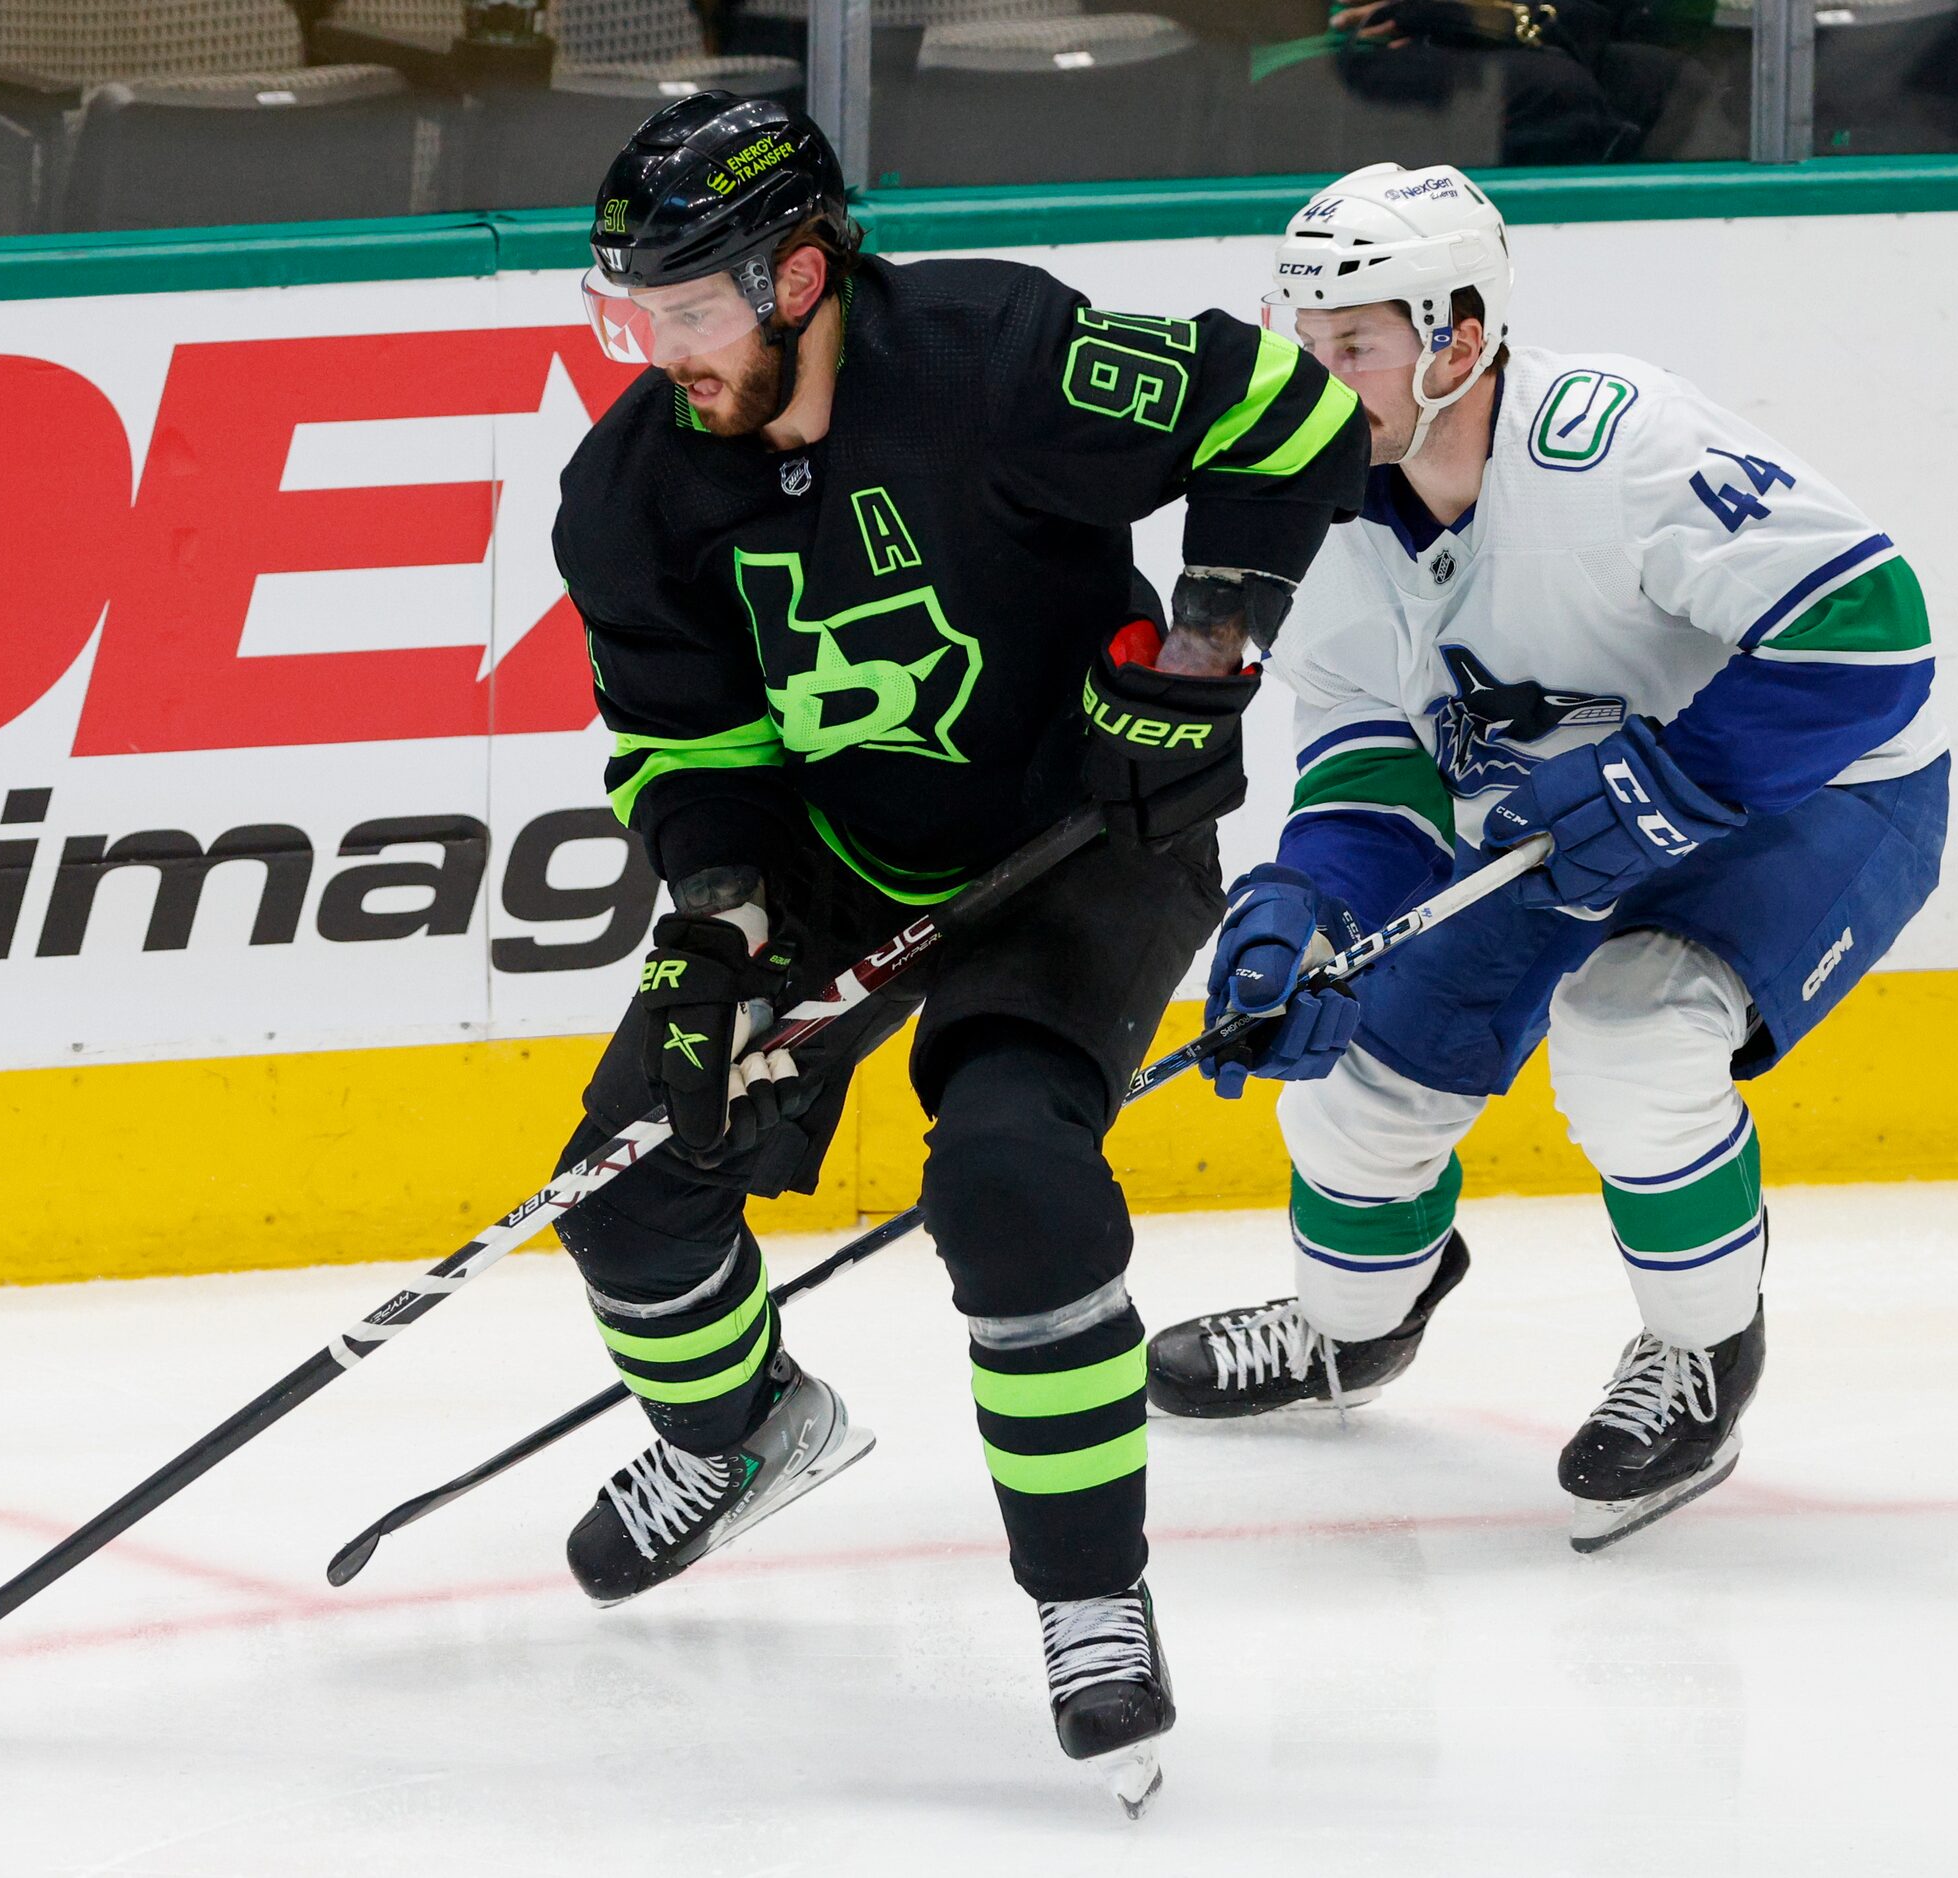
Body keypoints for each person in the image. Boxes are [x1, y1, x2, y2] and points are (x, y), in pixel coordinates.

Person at [550, 91, 1366, 1791]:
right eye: (634, 313)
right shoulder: (629, 493)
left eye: (691, 310)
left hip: (1078, 839)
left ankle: (1092, 1595)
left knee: (1009, 1174)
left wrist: (1203, 659)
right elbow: (693, 756)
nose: (662, 352)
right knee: (632, 1180)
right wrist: (714, 943)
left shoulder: (1002, 355)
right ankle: (744, 1430)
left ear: (800, 273)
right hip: (836, 862)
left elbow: (1292, 419)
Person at [1146, 162, 1949, 1552]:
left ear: (1458, 338)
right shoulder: (1321, 505)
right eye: (1305, 344)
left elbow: (1869, 632)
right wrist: (1308, 902)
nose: (1315, 381)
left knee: (1633, 1037)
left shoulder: (1615, 443)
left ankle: (1702, 1348)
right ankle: (1356, 1326)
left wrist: (1679, 782)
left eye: (1355, 349)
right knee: (1355, 1093)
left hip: (1803, 792)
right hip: (1544, 823)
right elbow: (1366, 739)